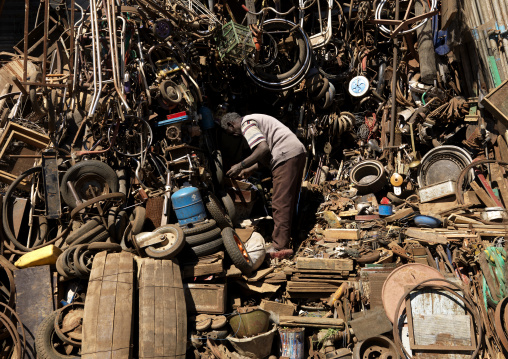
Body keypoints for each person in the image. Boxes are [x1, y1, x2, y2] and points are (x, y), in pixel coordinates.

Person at [220, 112, 306, 259]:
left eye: (232, 132)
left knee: (280, 203)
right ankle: (292, 237)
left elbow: (263, 148)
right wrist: (249, 170)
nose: (236, 135)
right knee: (289, 201)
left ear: (231, 124)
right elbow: (266, 154)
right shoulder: (256, 120)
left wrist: (240, 165)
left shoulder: (247, 124)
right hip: (296, 152)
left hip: (285, 155)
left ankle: (280, 247)